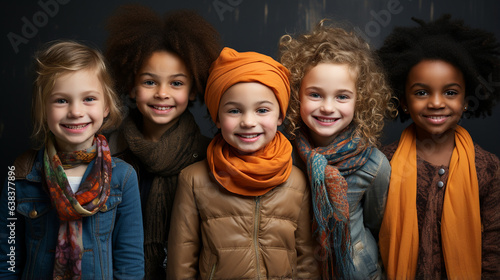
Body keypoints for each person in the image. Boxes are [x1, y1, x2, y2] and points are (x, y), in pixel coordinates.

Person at [167, 47, 320, 279]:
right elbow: (182, 261)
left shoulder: (296, 179)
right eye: (235, 110)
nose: (248, 122)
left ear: (280, 115)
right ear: (217, 117)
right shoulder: (194, 180)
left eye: (262, 110)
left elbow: (306, 259)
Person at [0, 40, 144, 279]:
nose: (76, 111)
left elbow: (129, 263)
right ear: (42, 109)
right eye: (61, 100)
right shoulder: (20, 177)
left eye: (89, 99)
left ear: (106, 106)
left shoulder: (123, 177)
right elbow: (8, 259)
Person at [377, 15, 500, 279]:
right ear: (404, 101)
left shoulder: (488, 168)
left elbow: (493, 252)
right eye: (422, 92)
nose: (436, 103)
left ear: (466, 100)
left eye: (450, 92)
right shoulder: (382, 163)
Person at [104, 5, 221, 278]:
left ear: (193, 90)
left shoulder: (210, 156)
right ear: (131, 86)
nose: (162, 93)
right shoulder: (106, 154)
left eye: (176, 83)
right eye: (149, 82)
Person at [279, 20, 395, 279]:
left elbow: (377, 226)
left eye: (341, 96)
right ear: (297, 96)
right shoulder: (283, 156)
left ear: (360, 100)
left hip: (357, 271)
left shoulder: (374, 165)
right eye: (315, 95)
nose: (328, 107)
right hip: (299, 270)